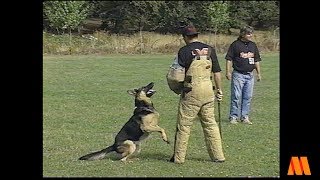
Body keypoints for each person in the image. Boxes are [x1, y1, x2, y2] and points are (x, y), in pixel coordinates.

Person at [169, 24, 225, 164]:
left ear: (185, 37)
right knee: (210, 124)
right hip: (208, 90)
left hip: (191, 91)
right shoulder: (210, 50)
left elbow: (176, 76)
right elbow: (217, 72)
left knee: (184, 125)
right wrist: (219, 90)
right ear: (197, 35)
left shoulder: (184, 51)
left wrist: (177, 88)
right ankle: (218, 156)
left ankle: (179, 158)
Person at [225, 25, 262, 125]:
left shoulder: (253, 45)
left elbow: (256, 60)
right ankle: (233, 117)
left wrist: (258, 73)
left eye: (251, 33)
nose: (250, 35)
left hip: (250, 75)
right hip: (238, 75)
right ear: (242, 34)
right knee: (236, 96)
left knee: (248, 97)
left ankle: (245, 117)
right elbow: (229, 59)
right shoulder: (235, 45)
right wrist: (228, 72)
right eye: (248, 33)